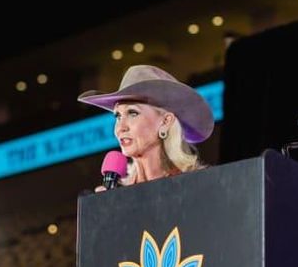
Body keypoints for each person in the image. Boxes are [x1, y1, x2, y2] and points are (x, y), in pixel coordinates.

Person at [78, 65, 213, 187]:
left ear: (165, 122)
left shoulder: (194, 186)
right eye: (118, 116)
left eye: (133, 113)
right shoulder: (117, 195)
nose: (120, 128)